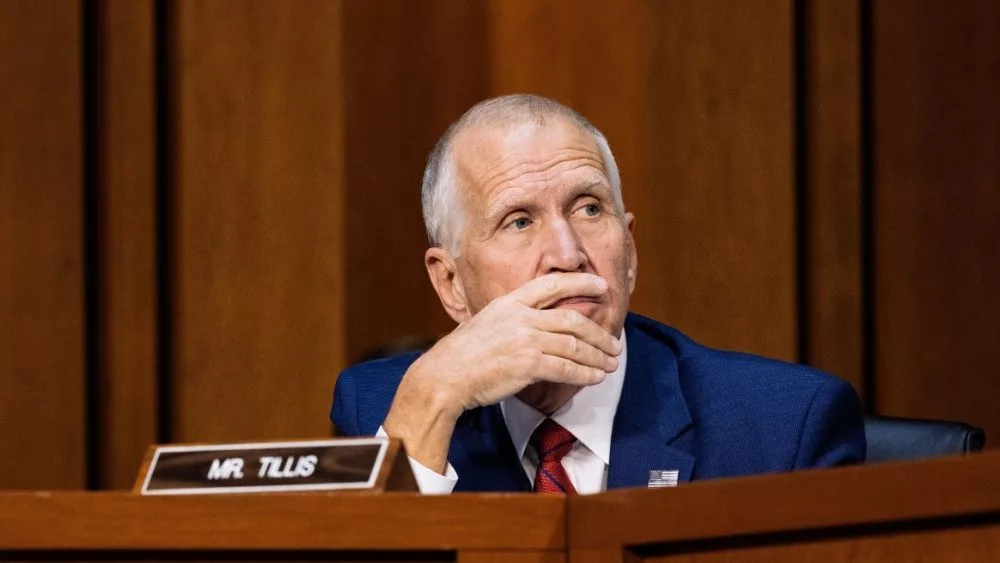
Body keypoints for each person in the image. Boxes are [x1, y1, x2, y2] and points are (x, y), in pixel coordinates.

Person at [331, 94, 865, 494]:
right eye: (519, 221)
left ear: (629, 252)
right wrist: (432, 396)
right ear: (451, 284)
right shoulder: (385, 408)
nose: (568, 254)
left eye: (589, 208)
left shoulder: (784, 429)